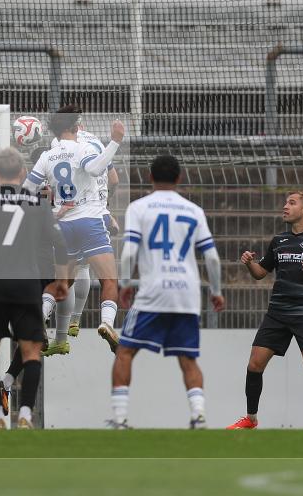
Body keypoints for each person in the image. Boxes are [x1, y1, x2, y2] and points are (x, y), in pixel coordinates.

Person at [0, 148, 69, 430]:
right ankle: (26, 415)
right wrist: (61, 281)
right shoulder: (37, 202)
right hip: (27, 285)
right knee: (31, 352)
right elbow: (60, 244)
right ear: (22, 172)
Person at [110, 155, 225, 429]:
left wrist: (125, 284)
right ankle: (198, 416)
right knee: (188, 358)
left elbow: (129, 252)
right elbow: (212, 257)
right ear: (179, 178)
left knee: (125, 351)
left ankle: (120, 418)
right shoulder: (193, 210)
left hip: (153, 292)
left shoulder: (139, 207)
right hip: (186, 294)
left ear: (150, 177)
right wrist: (216, 290)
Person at [228, 191, 303, 431]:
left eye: (291, 203)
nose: (285, 207)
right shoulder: (279, 240)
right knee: (255, 363)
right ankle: (251, 418)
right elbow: (261, 273)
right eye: (285, 203)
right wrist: (250, 263)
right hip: (277, 311)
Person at [23, 106, 126, 353]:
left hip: (63, 227)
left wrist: (52, 213)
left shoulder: (47, 156)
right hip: (89, 221)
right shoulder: (83, 148)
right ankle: (106, 323)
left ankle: (40, 317)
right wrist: (115, 141)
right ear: (74, 126)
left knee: (62, 283)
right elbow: (96, 169)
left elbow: (26, 192)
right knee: (109, 280)